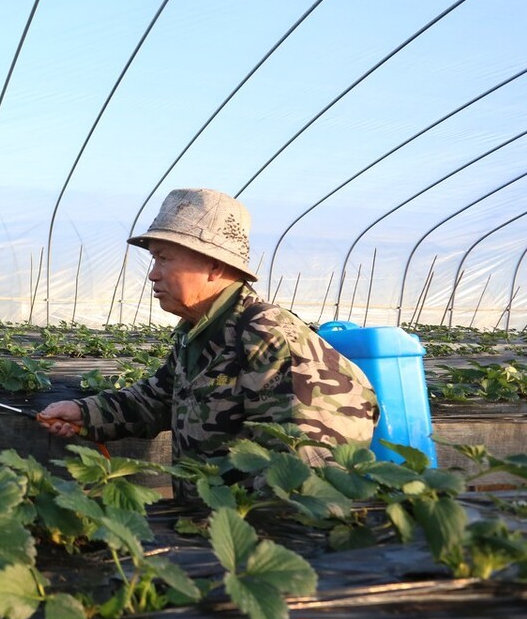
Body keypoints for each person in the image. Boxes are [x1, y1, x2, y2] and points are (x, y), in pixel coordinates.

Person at [36, 188, 378, 500]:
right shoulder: (200, 332)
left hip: (256, 530)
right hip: (209, 521)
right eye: (155, 260)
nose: (153, 274)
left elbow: (302, 466)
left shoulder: (267, 336)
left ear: (214, 266)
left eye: (165, 259)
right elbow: (157, 398)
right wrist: (84, 412)